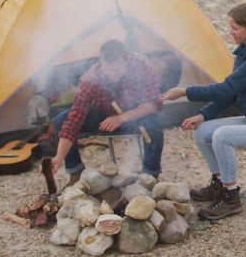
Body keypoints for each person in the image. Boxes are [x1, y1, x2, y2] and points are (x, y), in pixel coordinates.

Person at [161, 3, 246, 221]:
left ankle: (231, 197)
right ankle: (219, 183)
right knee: (203, 130)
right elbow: (232, 94)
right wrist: (203, 115)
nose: (231, 32)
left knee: (222, 136)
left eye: (235, 28)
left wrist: (185, 91)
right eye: (230, 27)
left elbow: (227, 88)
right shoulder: (244, 52)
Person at [50, 39, 163, 183]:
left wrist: (122, 118)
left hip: (134, 112)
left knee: (154, 123)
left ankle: (151, 176)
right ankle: (75, 172)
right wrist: (58, 158)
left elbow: (155, 103)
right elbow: (73, 120)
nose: (112, 75)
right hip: (102, 115)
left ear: (126, 60)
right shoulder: (90, 78)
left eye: (116, 70)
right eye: (107, 70)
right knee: (62, 119)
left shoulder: (141, 65)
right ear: (100, 62)